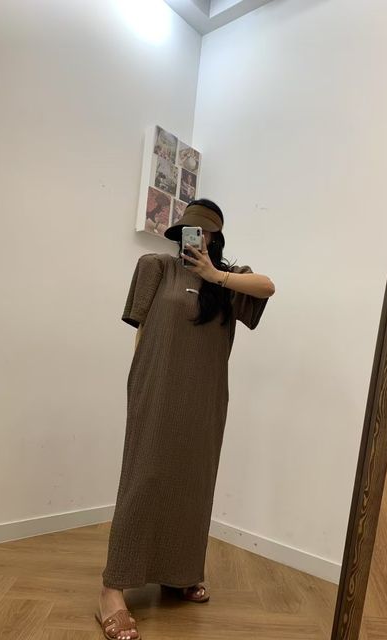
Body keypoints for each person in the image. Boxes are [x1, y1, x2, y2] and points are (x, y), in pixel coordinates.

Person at [95, 199, 275, 640]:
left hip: (206, 397)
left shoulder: (230, 281)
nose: (196, 237)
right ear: (180, 233)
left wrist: (215, 275)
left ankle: (180, 574)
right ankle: (112, 590)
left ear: (215, 237)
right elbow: (141, 332)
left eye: (205, 231)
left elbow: (268, 287)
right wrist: (140, 389)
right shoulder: (155, 266)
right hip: (157, 389)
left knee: (194, 481)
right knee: (145, 479)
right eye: (190, 230)